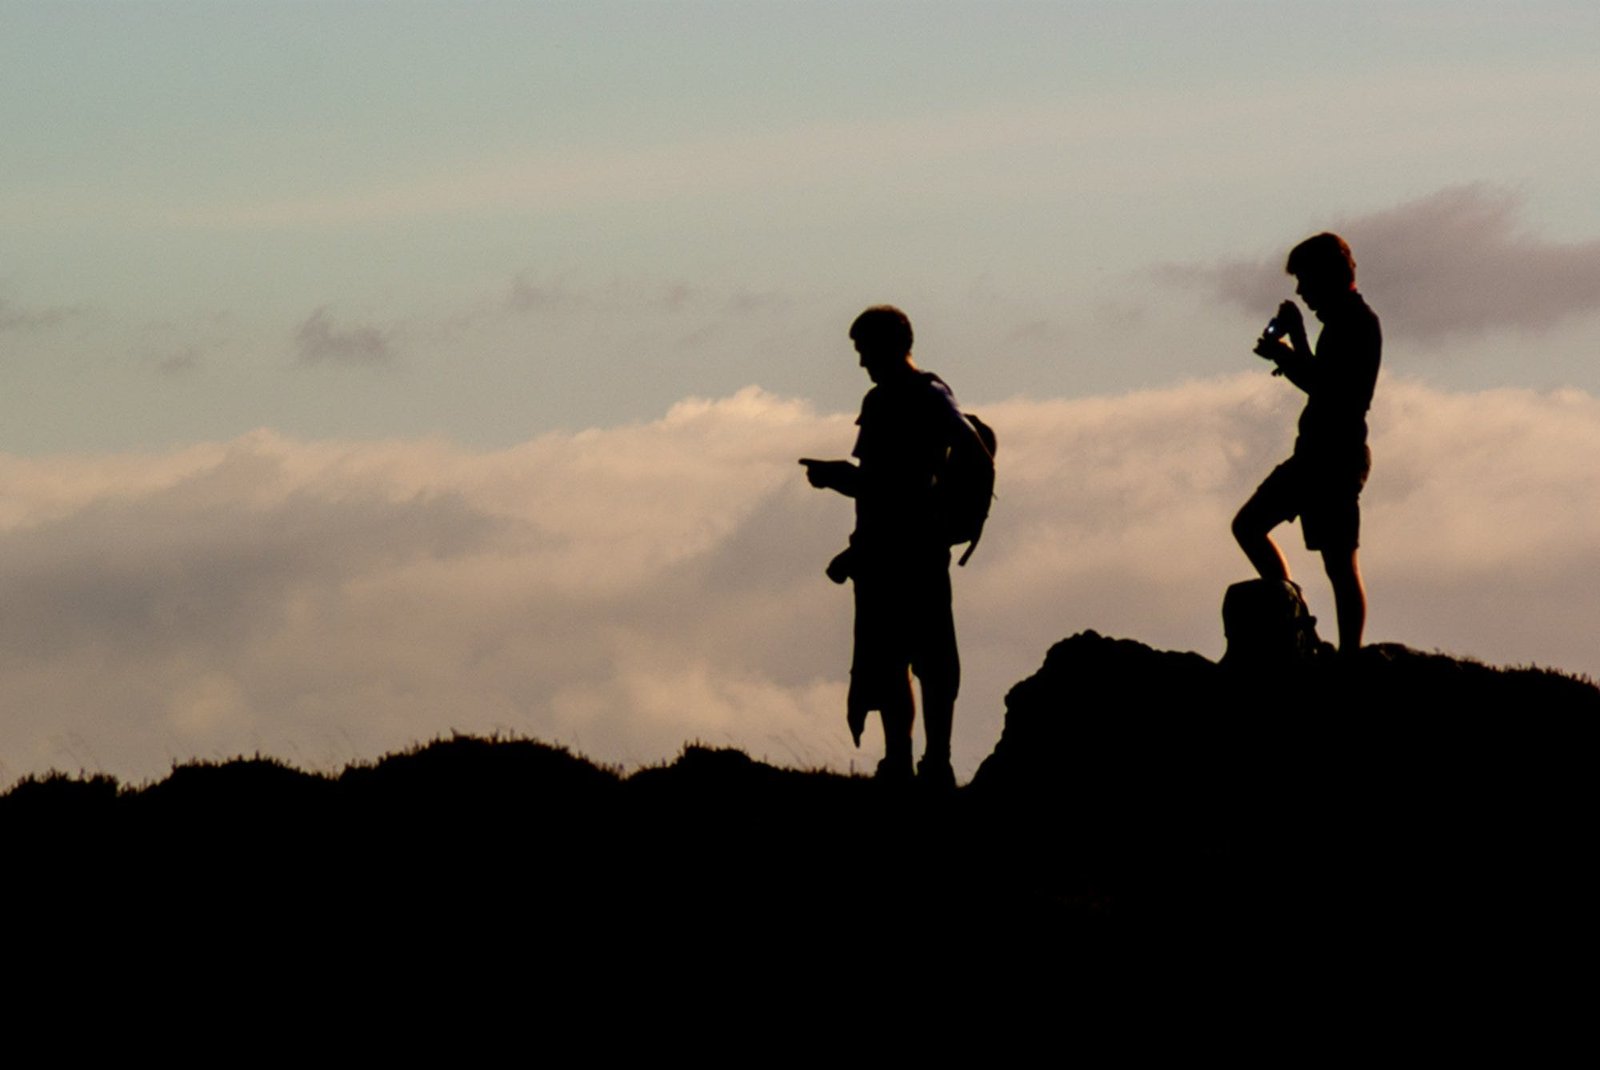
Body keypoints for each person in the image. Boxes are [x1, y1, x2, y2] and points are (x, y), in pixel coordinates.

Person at [800, 306, 978, 785]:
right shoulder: (882, 400)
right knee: (888, 660)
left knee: (930, 661)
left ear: (893, 345)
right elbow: (877, 483)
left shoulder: (929, 396)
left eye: (866, 350)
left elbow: (905, 479)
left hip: (915, 550)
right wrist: (842, 479)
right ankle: (900, 760)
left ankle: (935, 762)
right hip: (880, 550)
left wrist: (844, 479)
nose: (862, 362)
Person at [1233, 232, 1381, 654]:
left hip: (1335, 457)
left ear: (1325, 275)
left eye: (1304, 279)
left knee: (1338, 562)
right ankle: (1299, 621)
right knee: (1250, 527)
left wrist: (1287, 353)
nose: (1300, 289)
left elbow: (1332, 391)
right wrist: (1294, 345)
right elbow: (1322, 381)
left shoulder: (1355, 323)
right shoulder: (1342, 323)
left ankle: (1345, 653)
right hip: (1316, 454)